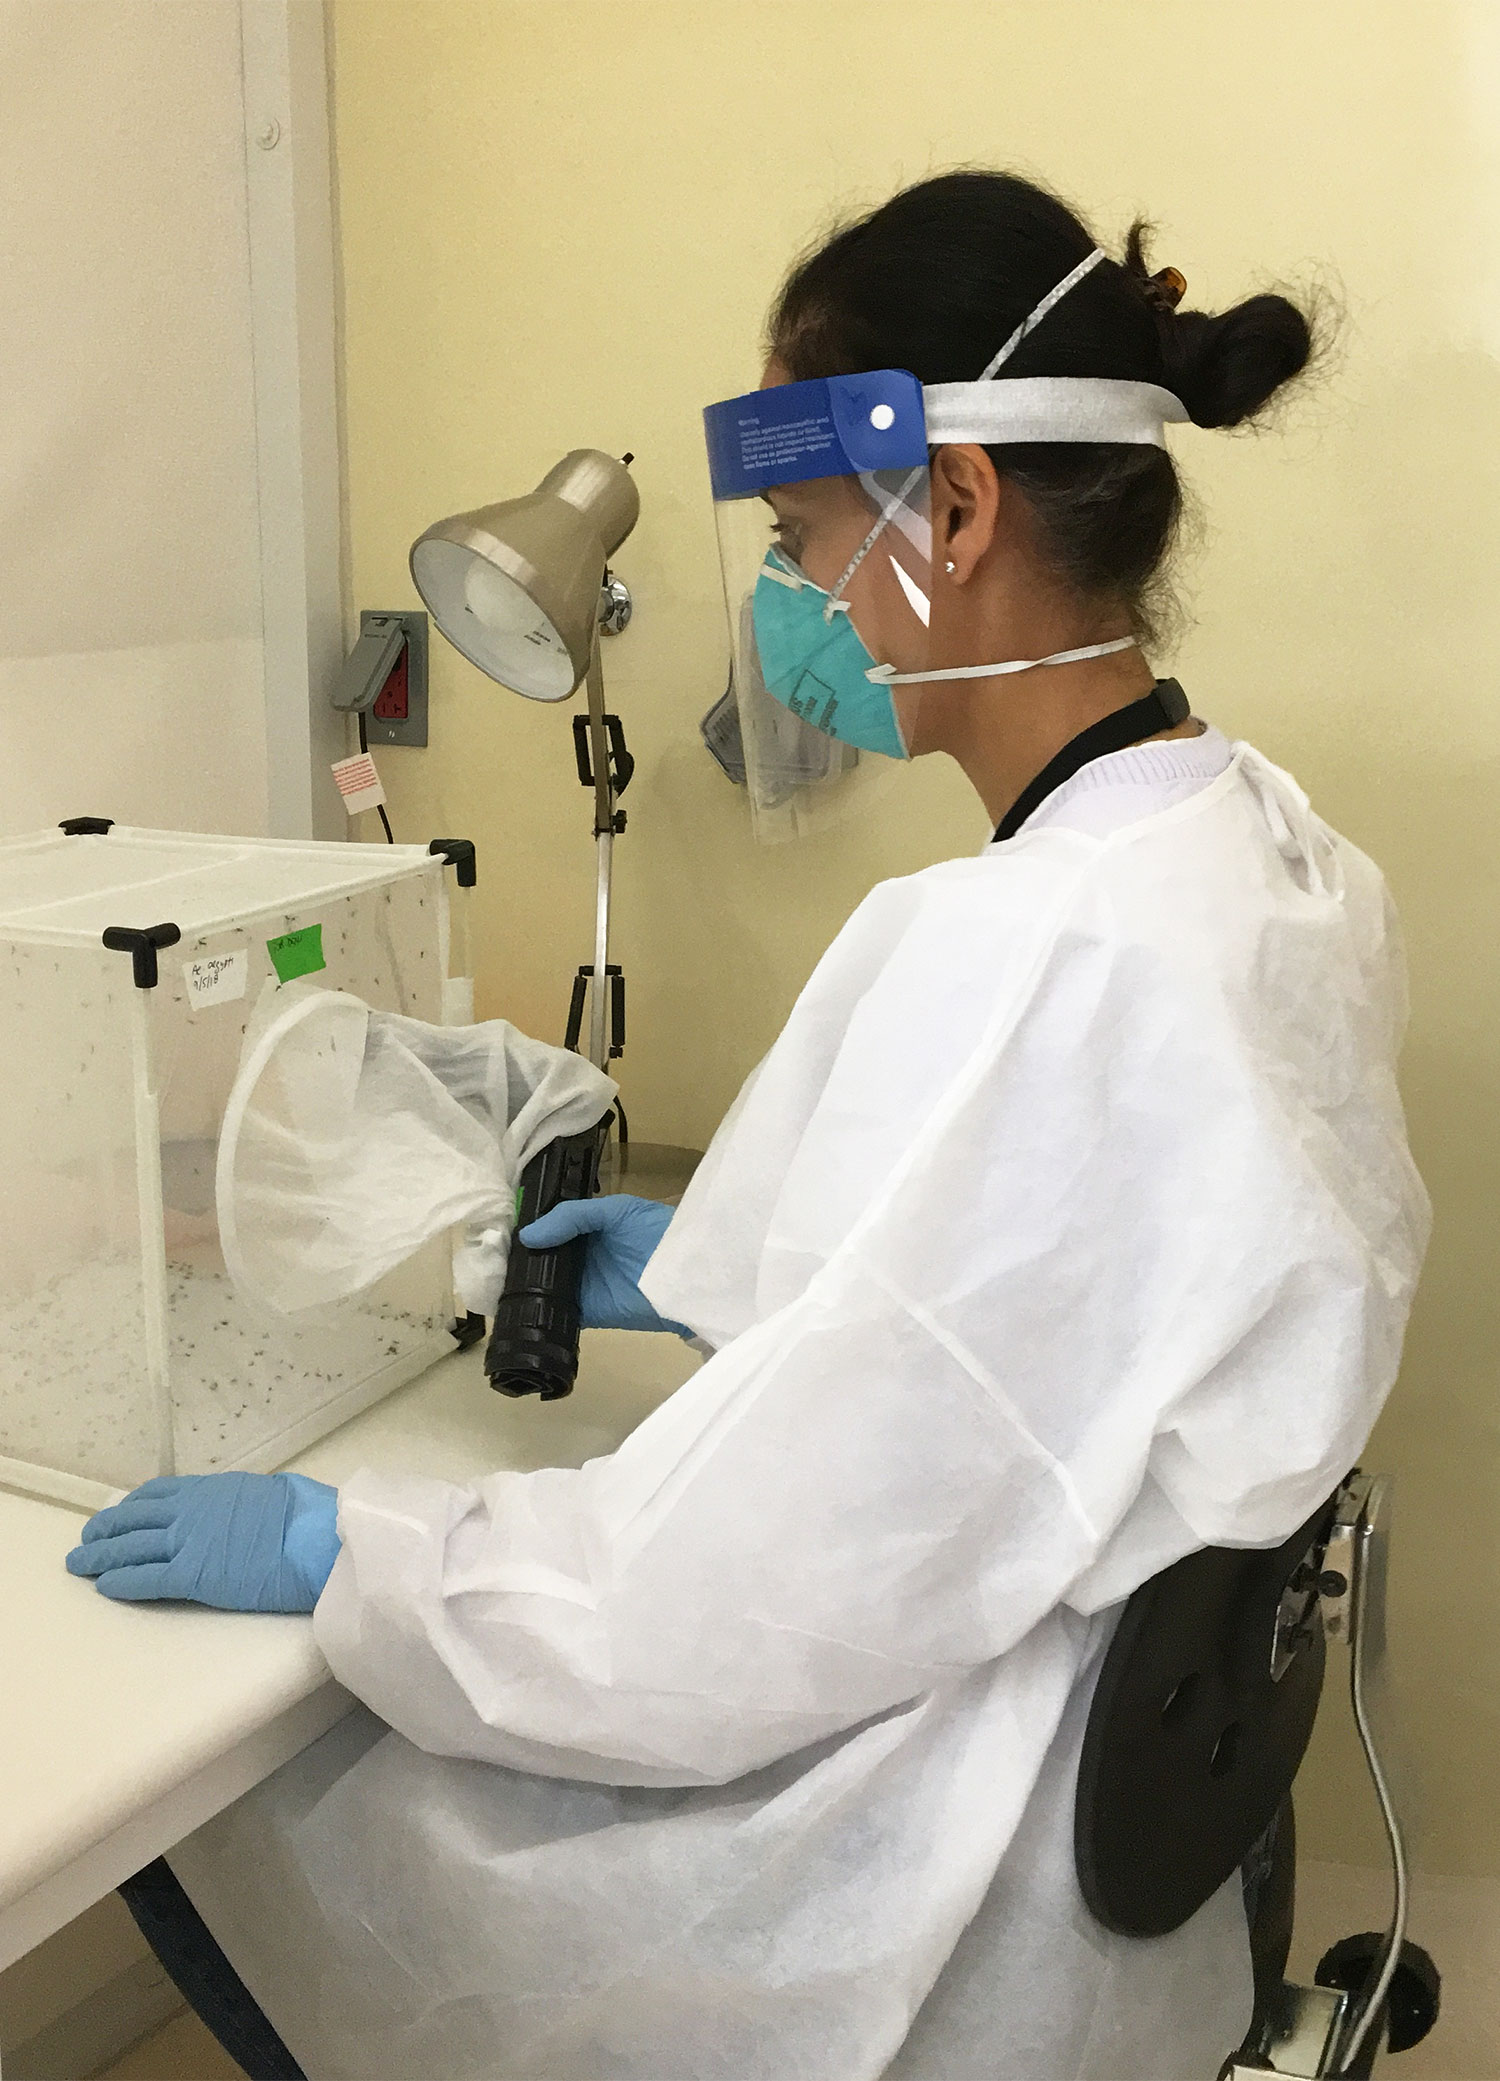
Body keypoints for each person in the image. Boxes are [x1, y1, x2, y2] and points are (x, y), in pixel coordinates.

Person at [68, 170, 1429, 2081]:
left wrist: (358, 1550)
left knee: (241, 1814)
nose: (802, 612)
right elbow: (1046, 1328)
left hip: (945, 1876)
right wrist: (731, 1282)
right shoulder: (1260, 848)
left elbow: (710, 1615)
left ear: (951, 511)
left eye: (804, 540)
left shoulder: (1037, 958)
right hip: (1136, 1831)